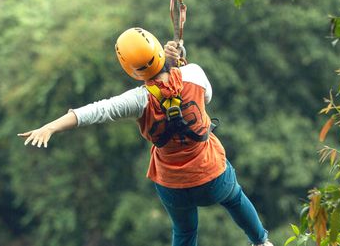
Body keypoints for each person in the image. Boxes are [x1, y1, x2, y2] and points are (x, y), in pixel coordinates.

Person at [17, 27, 273, 246]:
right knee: (235, 198)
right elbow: (205, 97)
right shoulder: (194, 74)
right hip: (212, 175)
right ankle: (261, 241)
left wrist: (50, 126)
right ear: (159, 52)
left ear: (131, 69)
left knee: (184, 231)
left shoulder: (137, 100)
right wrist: (178, 63)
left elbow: (96, 111)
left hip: (172, 185)